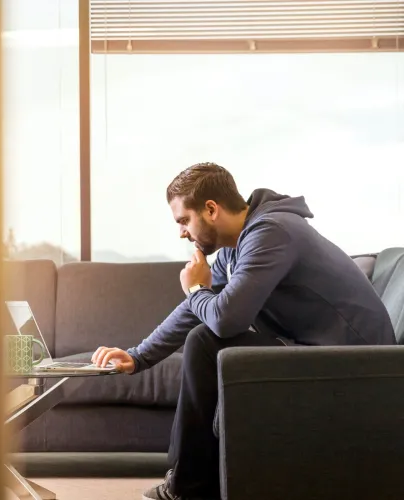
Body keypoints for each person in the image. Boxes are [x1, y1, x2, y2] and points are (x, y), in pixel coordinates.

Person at [91, 163, 396, 500]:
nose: (181, 233)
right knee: (204, 338)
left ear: (210, 209)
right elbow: (193, 313)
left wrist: (195, 290)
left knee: (207, 341)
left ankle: (188, 487)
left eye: (183, 221)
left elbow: (225, 320)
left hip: (360, 366)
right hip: (317, 353)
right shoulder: (238, 249)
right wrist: (138, 356)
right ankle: (190, 484)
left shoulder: (273, 233)